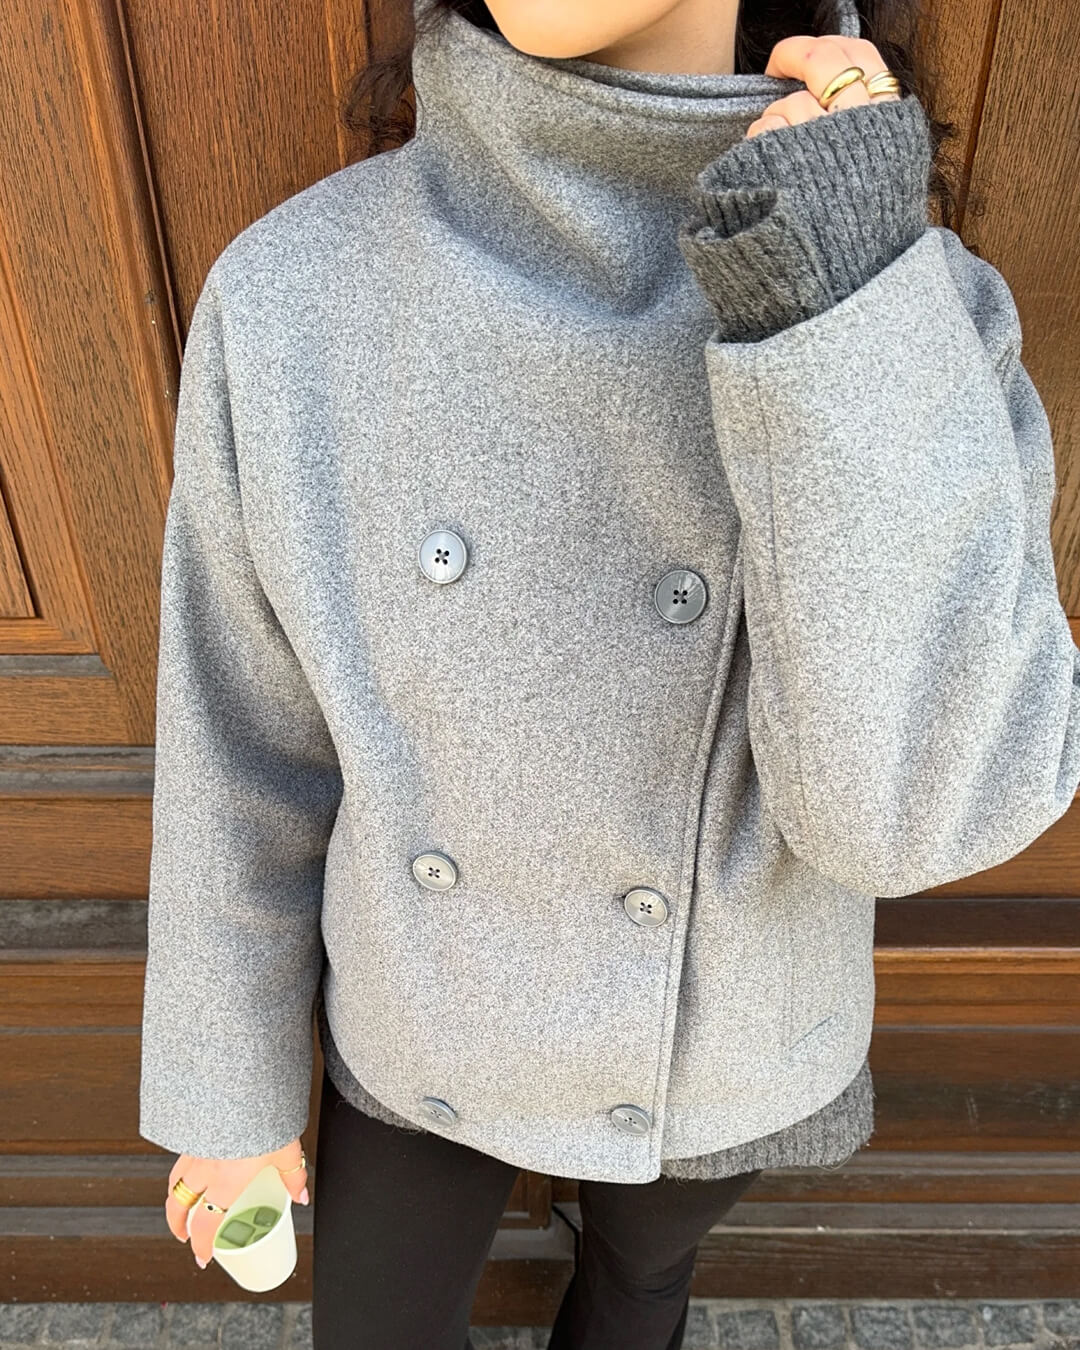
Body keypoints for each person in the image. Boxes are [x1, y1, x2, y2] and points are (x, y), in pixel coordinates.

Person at [138, 0, 1080, 1345]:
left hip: (728, 1030)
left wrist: (843, 294)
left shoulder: (907, 307)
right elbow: (241, 737)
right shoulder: (296, 294)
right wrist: (226, 1089)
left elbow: (909, 815)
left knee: (638, 1293)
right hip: (422, 1013)